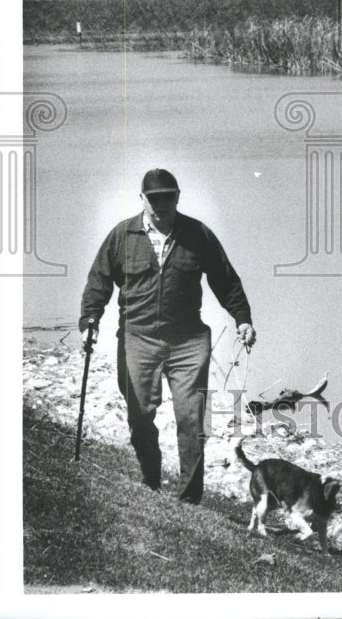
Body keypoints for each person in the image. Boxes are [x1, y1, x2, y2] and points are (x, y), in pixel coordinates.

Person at [79, 168, 256, 502]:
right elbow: (98, 281)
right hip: (137, 338)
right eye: (154, 198)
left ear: (178, 197)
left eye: (167, 197)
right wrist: (90, 319)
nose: (161, 205)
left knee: (192, 419)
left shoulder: (198, 234)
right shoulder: (122, 236)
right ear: (142, 199)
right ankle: (151, 483)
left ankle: (189, 499)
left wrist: (242, 319)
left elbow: (225, 280)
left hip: (188, 341)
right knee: (139, 417)